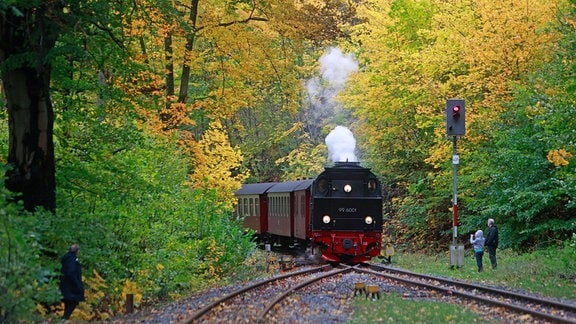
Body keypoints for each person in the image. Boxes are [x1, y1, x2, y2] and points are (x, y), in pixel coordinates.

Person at [59, 244, 85, 320]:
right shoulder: (72, 259)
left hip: (66, 284)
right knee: (73, 302)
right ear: (77, 251)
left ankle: (64, 318)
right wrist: (77, 284)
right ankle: (64, 318)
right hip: (71, 285)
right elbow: (71, 272)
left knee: (68, 301)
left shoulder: (67, 258)